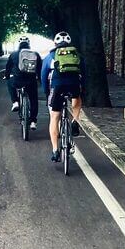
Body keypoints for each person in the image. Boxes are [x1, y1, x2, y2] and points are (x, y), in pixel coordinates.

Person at [41, 31, 85, 162]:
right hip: (73, 85)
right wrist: (83, 87)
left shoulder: (50, 56)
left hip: (57, 86)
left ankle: (55, 150)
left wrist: (46, 91)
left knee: (54, 117)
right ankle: (75, 121)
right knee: (77, 99)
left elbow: (43, 75)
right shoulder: (77, 54)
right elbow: (84, 72)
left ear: (55, 43)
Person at [4, 36, 41, 130]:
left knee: (9, 82)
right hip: (31, 81)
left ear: (19, 44)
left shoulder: (14, 54)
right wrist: (39, 79)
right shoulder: (35, 54)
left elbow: (8, 68)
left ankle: (15, 101)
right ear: (29, 44)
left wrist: (7, 76)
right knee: (33, 99)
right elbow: (40, 69)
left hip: (18, 81)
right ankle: (33, 121)